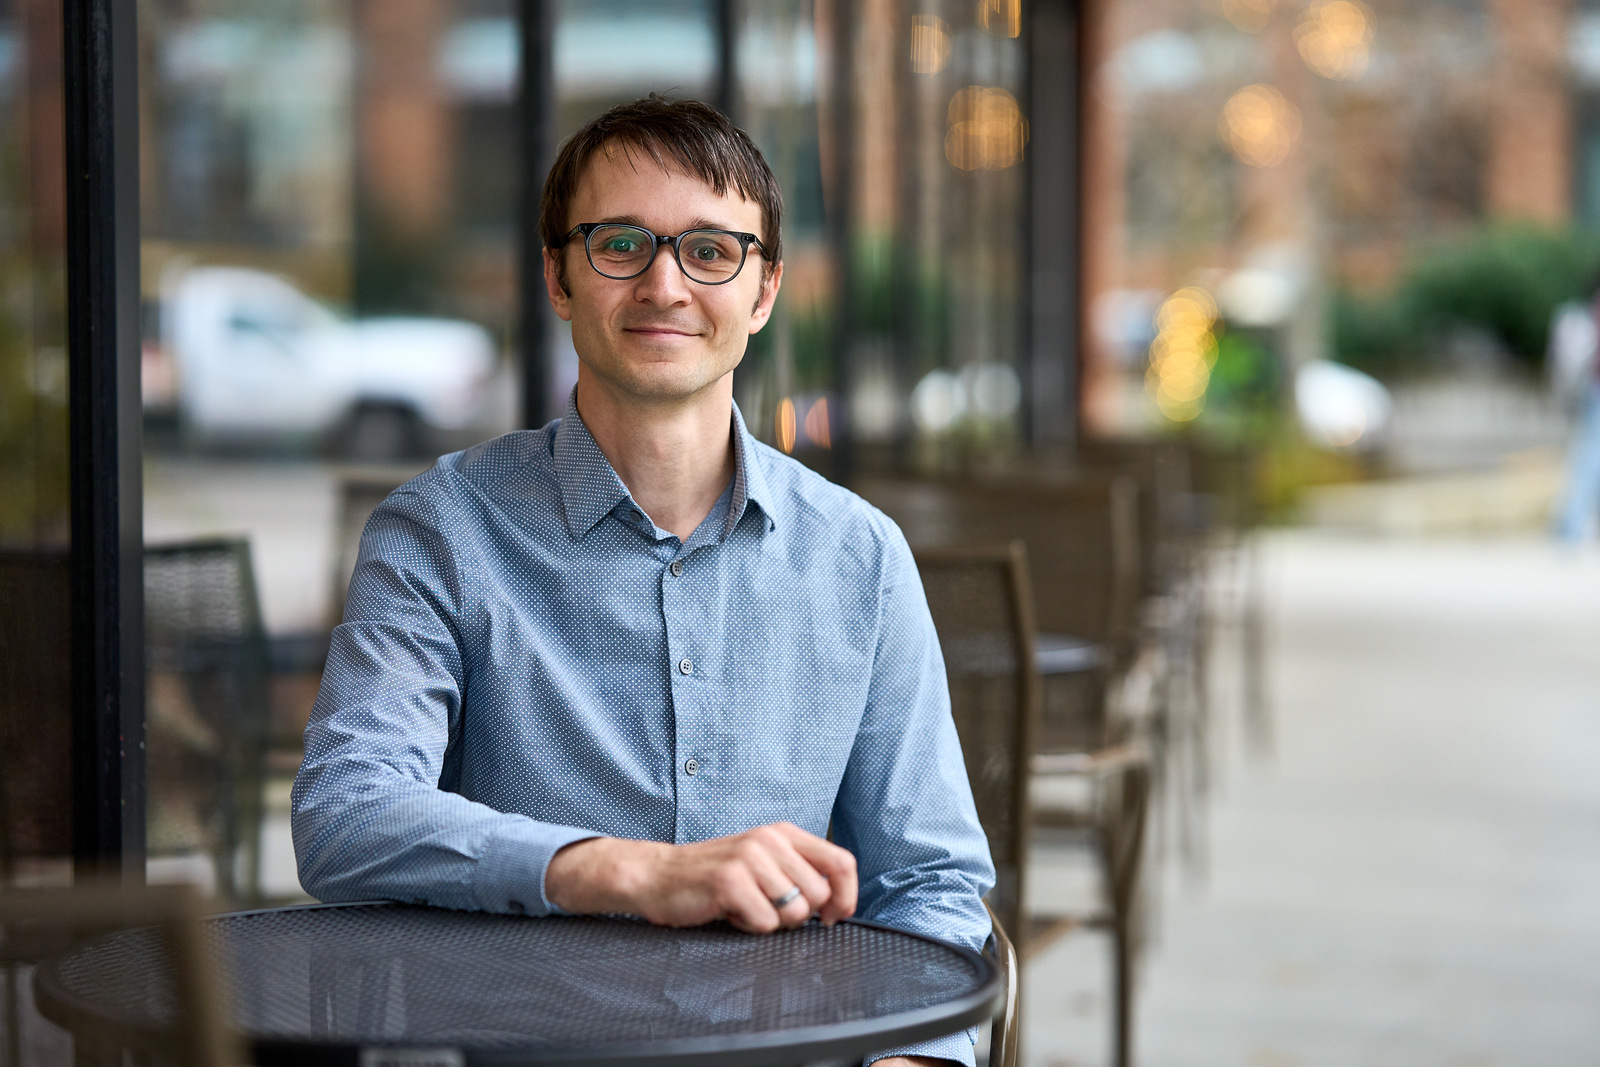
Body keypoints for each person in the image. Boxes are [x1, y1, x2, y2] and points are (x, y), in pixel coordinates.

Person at [291, 95, 994, 1067]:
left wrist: (912, 1061)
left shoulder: (861, 556)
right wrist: (633, 871)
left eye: (710, 250)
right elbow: (347, 813)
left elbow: (931, 881)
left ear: (764, 291)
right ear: (559, 276)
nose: (664, 282)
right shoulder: (441, 529)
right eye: (621, 243)